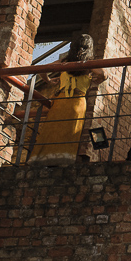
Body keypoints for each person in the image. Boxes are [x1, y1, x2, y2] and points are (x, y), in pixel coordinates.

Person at [28, 33, 95, 165]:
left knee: (52, 131)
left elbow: (43, 70)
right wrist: (99, 80)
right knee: (70, 134)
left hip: (61, 101)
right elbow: (103, 74)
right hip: (78, 102)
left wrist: (48, 80)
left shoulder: (64, 62)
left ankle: (43, 161)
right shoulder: (89, 64)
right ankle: (64, 162)